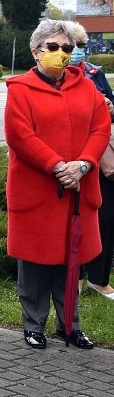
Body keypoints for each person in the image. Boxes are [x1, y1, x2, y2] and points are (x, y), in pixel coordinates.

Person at [4, 20, 110, 350]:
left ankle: (70, 326)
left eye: (67, 48)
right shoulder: (20, 89)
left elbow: (100, 128)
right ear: (37, 52)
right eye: (53, 47)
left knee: (71, 260)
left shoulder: (87, 88)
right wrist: (57, 166)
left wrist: (83, 164)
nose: (61, 54)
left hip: (78, 190)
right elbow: (20, 136)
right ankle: (33, 325)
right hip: (38, 190)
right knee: (35, 263)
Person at [67, 22, 114, 301]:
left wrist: (110, 106)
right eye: (71, 45)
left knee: (107, 217)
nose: (75, 52)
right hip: (71, 156)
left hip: (101, 157)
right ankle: (76, 276)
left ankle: (99, 279)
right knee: (74, 217)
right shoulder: (54, 76)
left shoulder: (95, 73)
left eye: (79, 46)